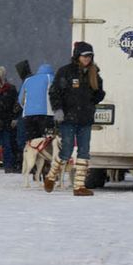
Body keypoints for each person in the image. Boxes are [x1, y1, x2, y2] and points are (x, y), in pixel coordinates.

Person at [44, 41, 105, 196]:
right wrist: (57, 109)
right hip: (68, 118)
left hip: (85, 119)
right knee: (66, 151)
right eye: (84, 56)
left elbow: (97, 94)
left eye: (90, 56)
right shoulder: (65, 72)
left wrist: (98, 94)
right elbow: (54, 92)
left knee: (84, 151)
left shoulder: (93, 73)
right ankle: (51, 177)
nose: (87, 59)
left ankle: (79, 187)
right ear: (77, 56)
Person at [18, 63, 55, 141]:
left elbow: (21, 99)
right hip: (47, 115)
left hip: (28, 116)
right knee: (48, 141)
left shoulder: (28, 80)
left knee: (32, 141)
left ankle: (34, 153)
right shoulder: (51, 78)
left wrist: (27, 108)